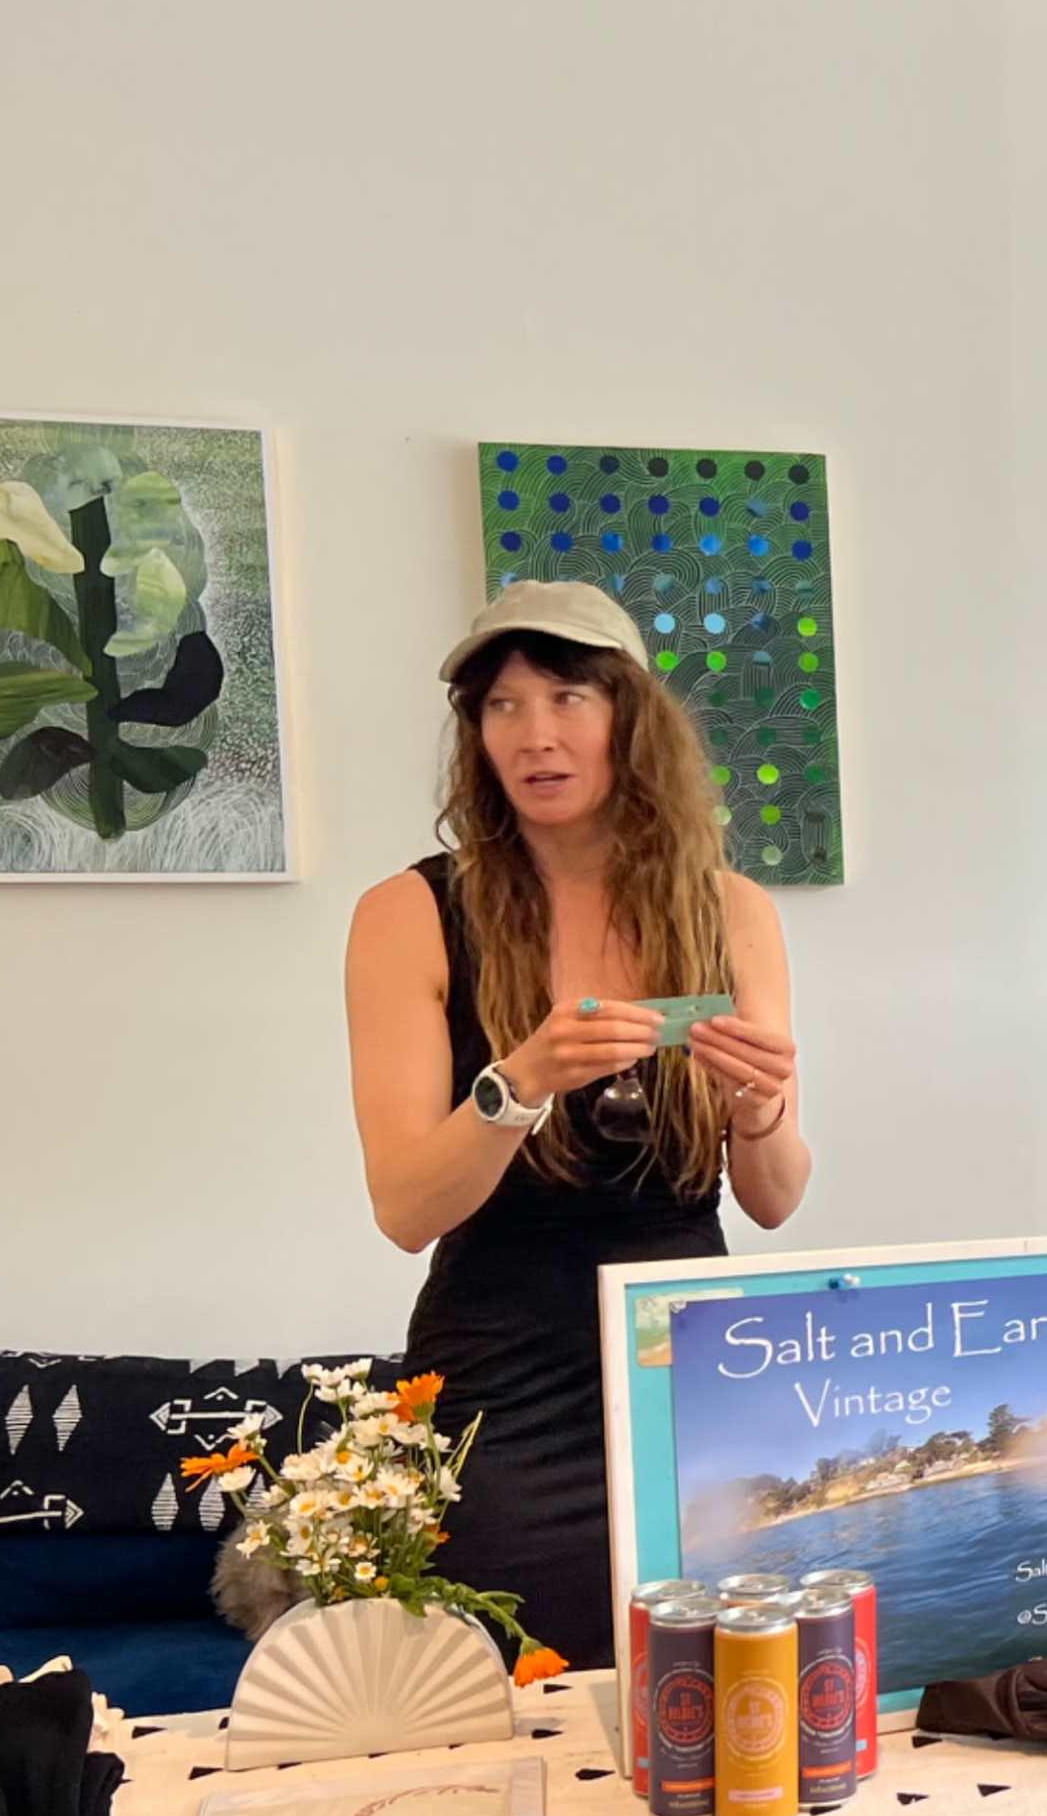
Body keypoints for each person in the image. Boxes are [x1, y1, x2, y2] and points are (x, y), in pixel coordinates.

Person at [344, 583, 812, 1669]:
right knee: (520, 1699)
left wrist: (759, 1109)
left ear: (630, 719)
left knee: (721, 1688)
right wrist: (515, 1086)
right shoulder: (408, 915)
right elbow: (407, 1210)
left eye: (567, 697)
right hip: (507, 1390)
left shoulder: (732, 910)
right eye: (503, 705)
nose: (536, 736)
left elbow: (777, 1197)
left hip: (700, 1373)